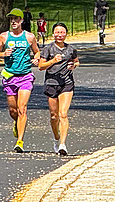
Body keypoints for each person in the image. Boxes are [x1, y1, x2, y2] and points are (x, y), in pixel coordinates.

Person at [0, 7, 40, 153]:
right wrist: (3, 54)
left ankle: (20, 141)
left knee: (22, 108)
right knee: (13, 110)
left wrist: (36, 59)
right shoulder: (4, 37)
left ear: (22, 21)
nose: (14, 22)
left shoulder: (29, 37)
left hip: (25, 76)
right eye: (12, 19)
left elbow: (37, 52)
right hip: (9, 76)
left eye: (17, 19)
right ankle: (17, 122)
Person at [37, 22, 79, 156]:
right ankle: (56, 138)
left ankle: (63, 144)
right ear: (53, 33)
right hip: (51, 83)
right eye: (57, 32)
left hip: (67, 83)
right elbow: (41, 66)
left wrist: (73, 65)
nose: (60, 35)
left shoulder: (71, 49)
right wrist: (53, 61)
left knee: (63, 114)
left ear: (66, 34)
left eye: (62, 32)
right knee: (54, 116)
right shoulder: (48, 49)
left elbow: (76, 61)